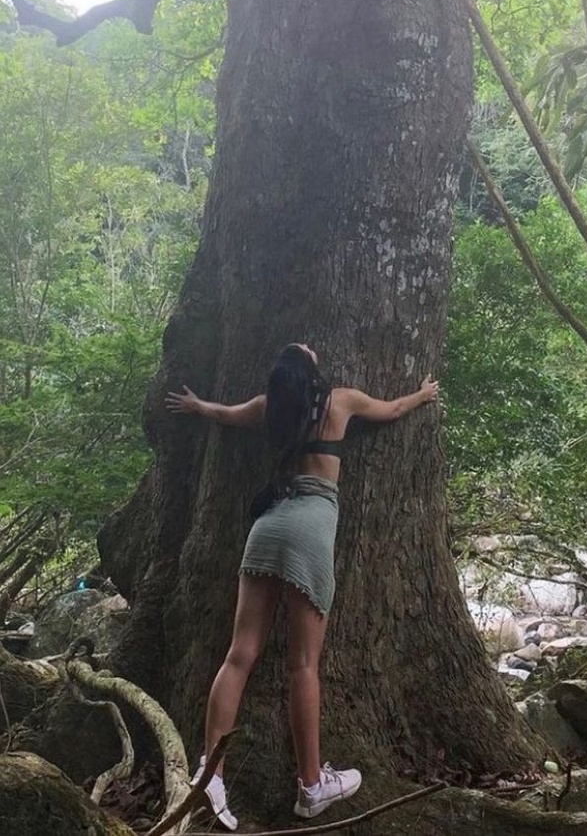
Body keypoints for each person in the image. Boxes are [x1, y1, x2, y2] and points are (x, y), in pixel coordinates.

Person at [165, 343, 439, 829]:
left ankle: (210, 777)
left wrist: (194, 405)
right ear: (311, 369)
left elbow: (224, 415)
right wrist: (422, 394)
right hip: (311, 526)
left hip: (268, 524)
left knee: (238, 655)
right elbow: (392, 410)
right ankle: (312, 786)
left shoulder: (271, 406)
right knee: (304, 664)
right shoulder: (341, 401)